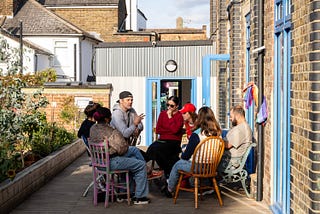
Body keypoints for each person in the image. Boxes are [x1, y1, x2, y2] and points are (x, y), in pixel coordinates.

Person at [89, 106, 150, 205]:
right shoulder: (111, 131)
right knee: (140, 165)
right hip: (111, 162)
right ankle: (140, 197)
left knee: (133, 150)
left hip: (98, 163)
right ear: (106, 119)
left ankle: (124, 193)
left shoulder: (93, 128)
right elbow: (122, 149)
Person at [162, 106, 221, 197]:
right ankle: (205, 186)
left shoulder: (197, 134)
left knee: (177, 164)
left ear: (199, 119)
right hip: (212, 167)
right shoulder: (217, 133)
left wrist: (184, 154)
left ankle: (169, 189)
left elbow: (185, 156)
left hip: (198, 167)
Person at [146, 96, 184, 178]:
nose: (169, 108)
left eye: (172, 106)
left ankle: (166, 171)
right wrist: (170, 131)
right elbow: (158, 130)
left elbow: (175, 130)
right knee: (152, 149)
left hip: (174, 142)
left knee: (159, 150)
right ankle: (166, 171)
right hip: (162, 140)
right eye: (168, 105)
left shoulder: (179, 116)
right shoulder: (162, 114)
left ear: (177, 106)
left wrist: (170, 117)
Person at [218, 105, 252, 173]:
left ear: (237, 116)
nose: (230, 119)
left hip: (229, 162)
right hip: (227, 159)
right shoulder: (241, 127)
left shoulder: (241, 129)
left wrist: (216, 140)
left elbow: (227, 145)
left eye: (231, 116)